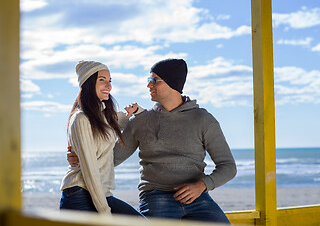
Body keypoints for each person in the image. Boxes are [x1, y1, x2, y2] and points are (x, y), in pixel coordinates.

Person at [68, 58, 236, 223]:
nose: (148, 85)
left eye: (153, 80)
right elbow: (111, 158)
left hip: (198, 198)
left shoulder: (204, 120)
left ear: (172, 83)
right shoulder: (141, 121)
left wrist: (202, 185)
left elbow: (228, 166)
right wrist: (81, 158)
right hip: (156, 196)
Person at [60, 60, 145, 217]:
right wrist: (104, 211)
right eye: (102, 80)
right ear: (88, 83)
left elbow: (140, 120)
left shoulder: (105, 116)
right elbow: (89, 170)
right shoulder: (81, 119)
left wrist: (137, 110)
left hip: (102, 194)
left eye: (109, 81)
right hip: (80, 194)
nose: (109, 86)